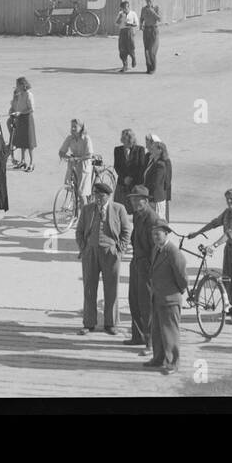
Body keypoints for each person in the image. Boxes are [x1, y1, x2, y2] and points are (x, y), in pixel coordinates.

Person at [75, 183, 131, 335]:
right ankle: (89, 323)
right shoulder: (87, 210)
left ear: (108, 196)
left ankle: (111, 323)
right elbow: (79, 231)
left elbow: (126, 231)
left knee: (111, 288)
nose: (98, 199)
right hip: (90, 253)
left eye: (101, 196)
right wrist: (84, 248)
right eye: (96, 195)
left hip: (110, 253)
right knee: (89, 288)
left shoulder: (119, 209)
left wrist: (120, 250)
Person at [189, 189, 232, 323]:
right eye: (227, 199)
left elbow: (230, 234)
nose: (228, 202)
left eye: (231, 199)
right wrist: (197, 233)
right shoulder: (227, 213)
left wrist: (214, 246)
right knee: (227, 279)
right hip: (229, 249)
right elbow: (214, 223)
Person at [147, 225, 187, 375]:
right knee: (157, 331)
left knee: (170, 332)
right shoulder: (156, 249)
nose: (155, 237)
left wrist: (178, 291)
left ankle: (173, 363)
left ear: (166, 234)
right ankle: (158, 358)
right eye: (153, 235)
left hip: (170, 298)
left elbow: (182, 276)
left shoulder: (173, 252)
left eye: (158, 234)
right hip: (157, 297)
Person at [124, 191, 160, 352]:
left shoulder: (153, 219)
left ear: (146, 201)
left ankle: (151, 342)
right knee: (134, 300)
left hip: (147, 265)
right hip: (136, 262)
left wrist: (151, 268)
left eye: (137, 199)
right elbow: (133, 237)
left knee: (147, 305)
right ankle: (137, 336)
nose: (133, 202)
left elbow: (156, 247)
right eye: (132, 199)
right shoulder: (138, 215)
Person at [58, 119, 95, 205]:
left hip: (84, 167)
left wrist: (78, 159)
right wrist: (68, 157)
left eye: (75, 126)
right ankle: (75, 209)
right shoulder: (70, 138)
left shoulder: (86, 138)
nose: (73, 129)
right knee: (70, 187)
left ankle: (85, 215)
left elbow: (89, 155)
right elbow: (61, 152)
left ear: (81, 128)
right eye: (72, 126)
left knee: (81, 194)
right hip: (73, 165)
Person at [141, 134, 172, 223]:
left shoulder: (163, 163)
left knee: (157, 221)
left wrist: (163, 195)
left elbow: (166, 181)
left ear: (159, 150)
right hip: (149, 196)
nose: (148, 148)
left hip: (156, 197)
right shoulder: (150, 159)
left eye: (152, 147)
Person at [8, 77, 36, 171]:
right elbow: (18, 107)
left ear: (22, 85)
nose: (16, 87)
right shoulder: (20, 95)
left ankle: (32, 163)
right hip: (20, 118)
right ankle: (23, 161)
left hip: (27, 119)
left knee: (29, 142)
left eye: (17, 85)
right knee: (22, 141)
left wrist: (20, 113)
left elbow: (31, 109)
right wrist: (14, 112)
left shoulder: (29, 95)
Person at [112, 129, 147, 207]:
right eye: (123, 138)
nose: (125, 141)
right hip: (122, 183)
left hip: (135, 184)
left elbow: (141, 166)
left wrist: (131, 178)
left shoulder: (140, 149)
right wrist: (124, 178)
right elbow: (116, 166)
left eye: (127, 139)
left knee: (135, 207)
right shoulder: (117, 150)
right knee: (119, 207)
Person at [139, 0, 162, 73]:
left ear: (152, 1)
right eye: (147, 0)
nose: (149, 2)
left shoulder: (156, 8)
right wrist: (140, 24)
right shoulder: (143, 9)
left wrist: (152, 11)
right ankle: (149, 68)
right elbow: (141, 18)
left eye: (150, 0)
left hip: (154, 30)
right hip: (146, 30)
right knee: (146, 51)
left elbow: (159, 19)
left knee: (152, 51)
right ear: (145, 1)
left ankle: (153, 68)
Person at [115, 1, 139, 71]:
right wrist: (120, 17)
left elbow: (136, 24)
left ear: (128, 6)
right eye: (123, 8)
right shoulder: (120, 14)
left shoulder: (133, 13)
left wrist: (130, 24)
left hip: (129, 32)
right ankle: (125, 65)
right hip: (122, 32)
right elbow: (116, 23)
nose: (125, 9)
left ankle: (133, 58)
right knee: (122, 49)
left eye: (126, 7)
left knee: (130, 48)